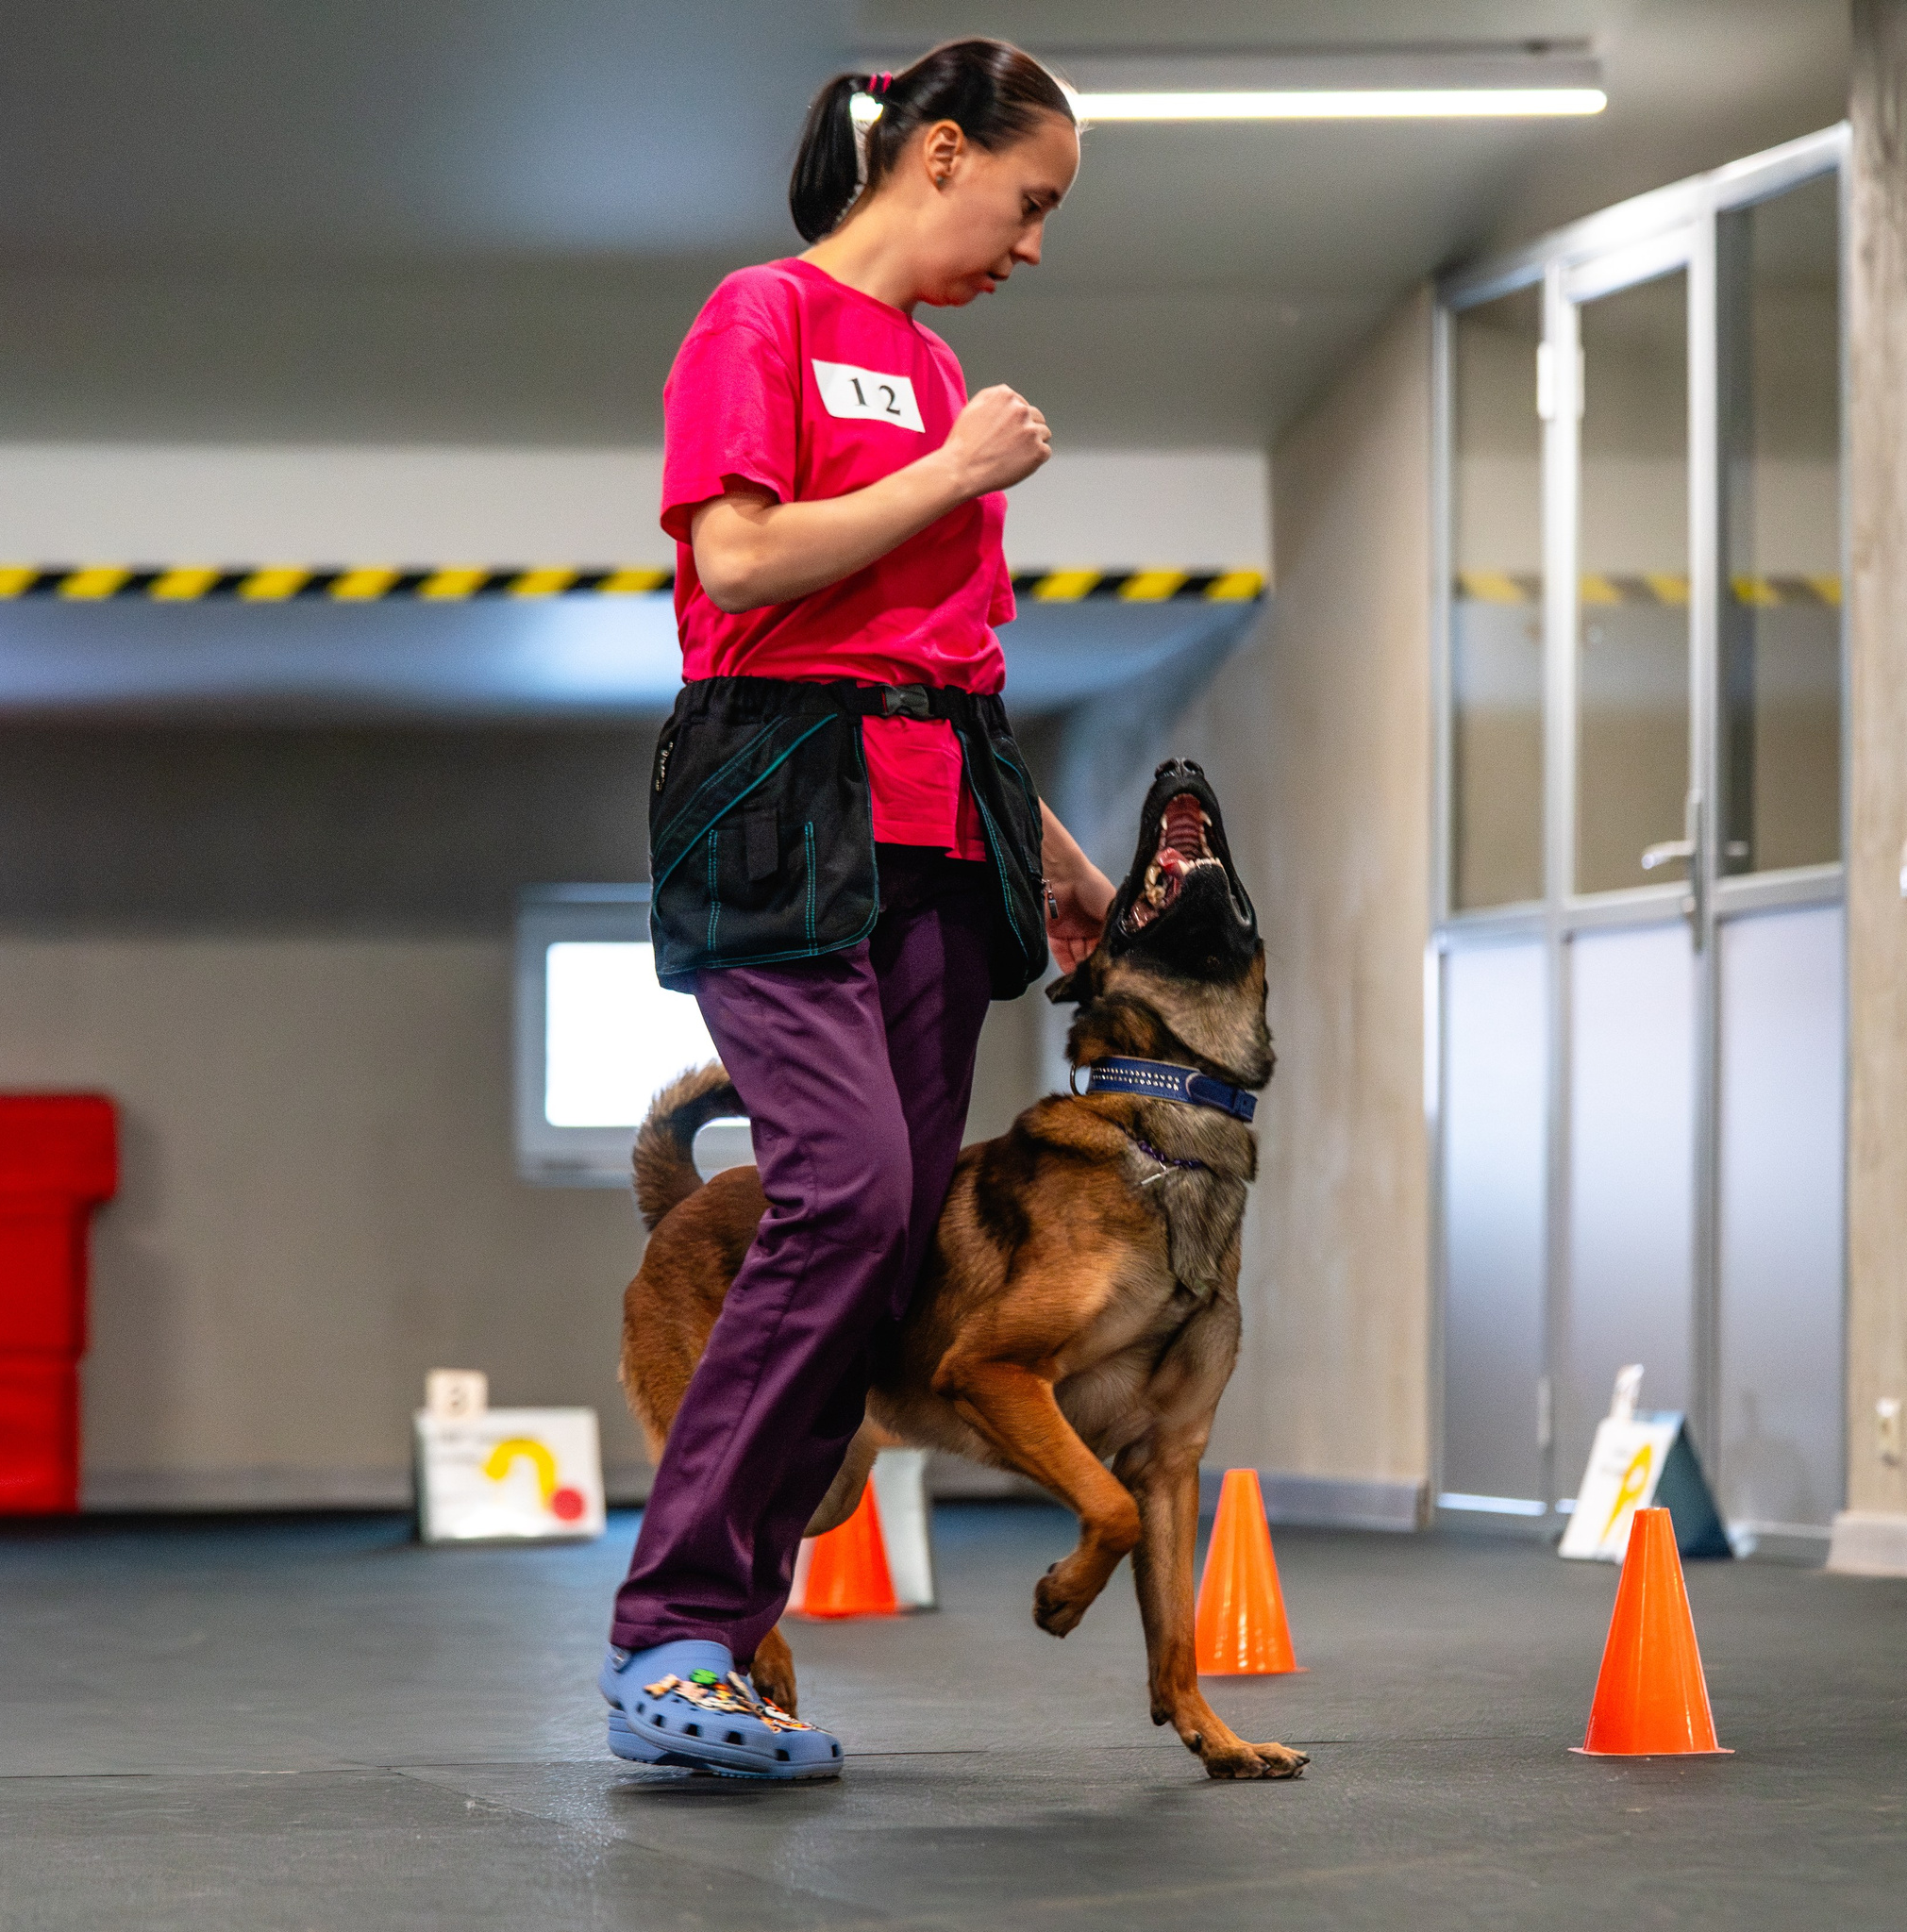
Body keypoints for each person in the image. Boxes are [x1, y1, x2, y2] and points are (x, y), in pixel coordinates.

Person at [598, 39, 1114, 1782]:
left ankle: (727, 1647)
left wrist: (1062, 861)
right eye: (1029, 201)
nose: (1033, 245)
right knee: (848, 1189)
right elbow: (738, 561)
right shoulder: (762, 318)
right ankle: (672, 1630)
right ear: (940, 152)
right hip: (776, 801)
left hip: (938, 819)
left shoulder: (936, 364)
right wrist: (954, 473)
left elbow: (949, 666)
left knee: (890, 1247)